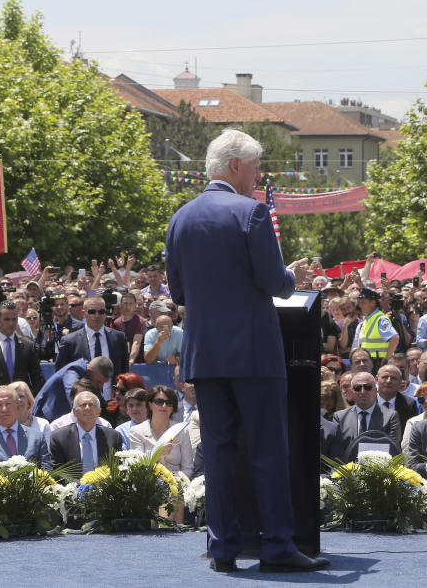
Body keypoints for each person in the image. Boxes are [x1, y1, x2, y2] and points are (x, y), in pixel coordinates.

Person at [165, 128, 327, 573]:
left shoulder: (180, 218)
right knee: (268, 451)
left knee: (217, 453)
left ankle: (222, 549)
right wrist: (292, 276)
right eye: (255, 168)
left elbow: (179, 292)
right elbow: (274, 283)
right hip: (254, 353)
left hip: (206, 356)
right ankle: (276, 547)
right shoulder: (251, 214)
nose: (258, 178)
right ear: (235, 165)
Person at [0, 385, 52, 479]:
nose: (4, 409)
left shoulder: (37, 437)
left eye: (8, 404)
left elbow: (46, 473)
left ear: (17, 406)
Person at [331, 371, 402, 461]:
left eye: (367, 387)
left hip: (379, 470)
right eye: (357, 388)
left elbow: (393, 449)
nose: (362, 391)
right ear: (352, 392)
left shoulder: (390, 416)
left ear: (376, 390)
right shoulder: (340, 417)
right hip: (347, 470)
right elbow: (337, 451)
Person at [49, 390, 124, 475]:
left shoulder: (113, 437)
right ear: (74, 412)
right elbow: (58, 472)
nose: (88, 408)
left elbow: (117, 469)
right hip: (71, 486)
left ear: (99, 411)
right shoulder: (59, 437)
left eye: (92, 405)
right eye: (83, 405)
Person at [0, 300, 44, 393]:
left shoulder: (28, 346)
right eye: (7, 319)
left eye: (14, 319)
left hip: (21, 403)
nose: (11, 323)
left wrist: (28, 399)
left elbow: (38, 379)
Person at [54, 296, 128, 379]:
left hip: (111, 391)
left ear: (105, 313)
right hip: (82, 391)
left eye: (101, 312)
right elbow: (60, 373)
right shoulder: (69, 341)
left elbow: (124, 371)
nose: (97, 315)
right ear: (83, 314)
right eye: (92, 312)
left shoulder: (119, 338)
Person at [128, 385, 193, 477]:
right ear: (150, 404)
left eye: (169, 403)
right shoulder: (137, 431)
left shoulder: (182, 430)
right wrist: (158, 455)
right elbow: (137, 467)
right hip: (148, 486)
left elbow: (188, 468)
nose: (164, 406)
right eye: (159, 402)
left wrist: (175, 483)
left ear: (173, 408)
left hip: (176, 486)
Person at [351, 287, 399, 368]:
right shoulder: (367, 320)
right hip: (369, 362)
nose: (360, 305)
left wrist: (387, 358)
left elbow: (394, 338)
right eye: (359, 303)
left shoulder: (381, 319)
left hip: (379, 362)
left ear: (373, 303)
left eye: (363, 302)